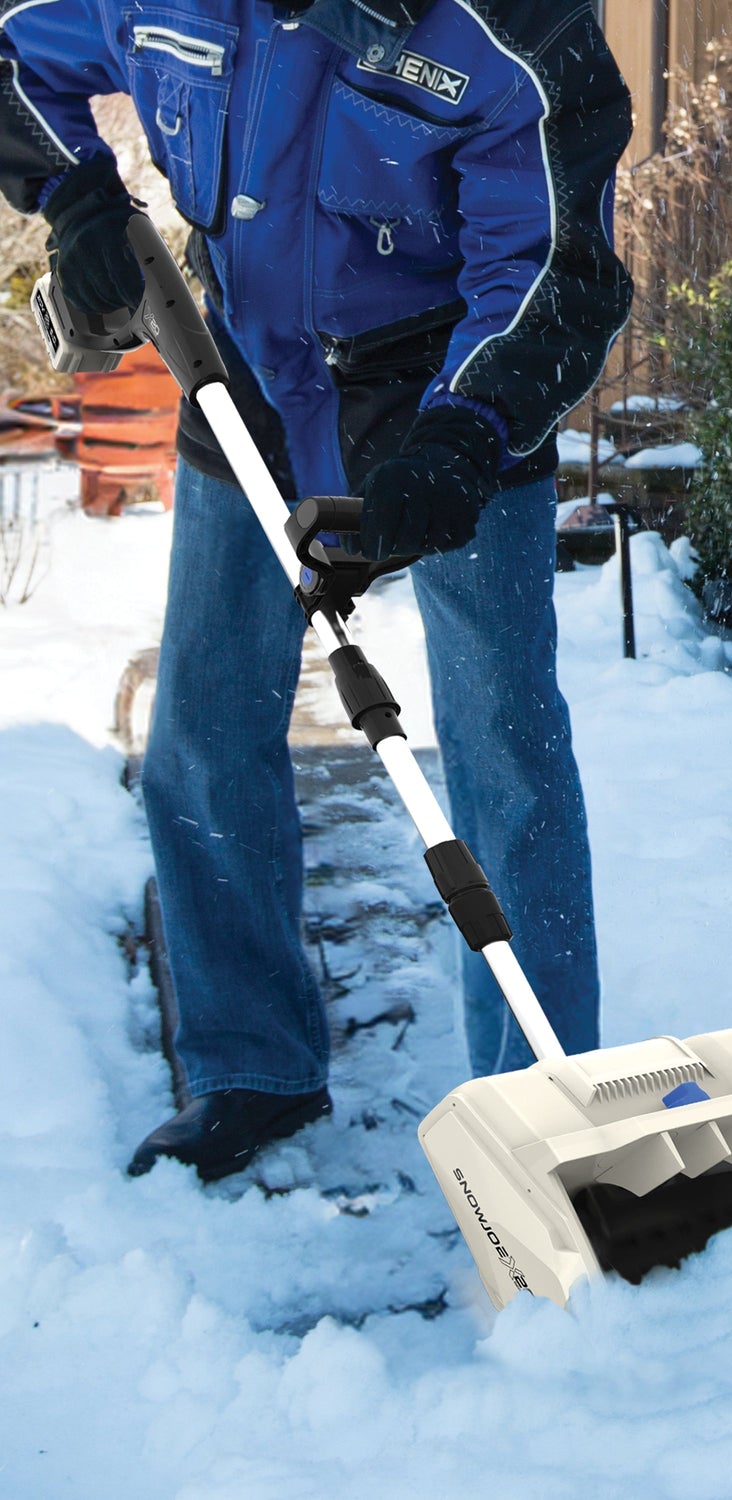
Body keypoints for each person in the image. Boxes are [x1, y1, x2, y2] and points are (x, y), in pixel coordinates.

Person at [0, 0, 632, 1180]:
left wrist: (465, 435)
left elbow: (556, 259)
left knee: (505, 747)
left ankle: (541, 1107)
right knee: (206, 727)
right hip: (244, 374)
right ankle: (250, 1065)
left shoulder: (506, 24)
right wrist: (79, 199)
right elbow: (14, 51)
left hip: (450, 392)